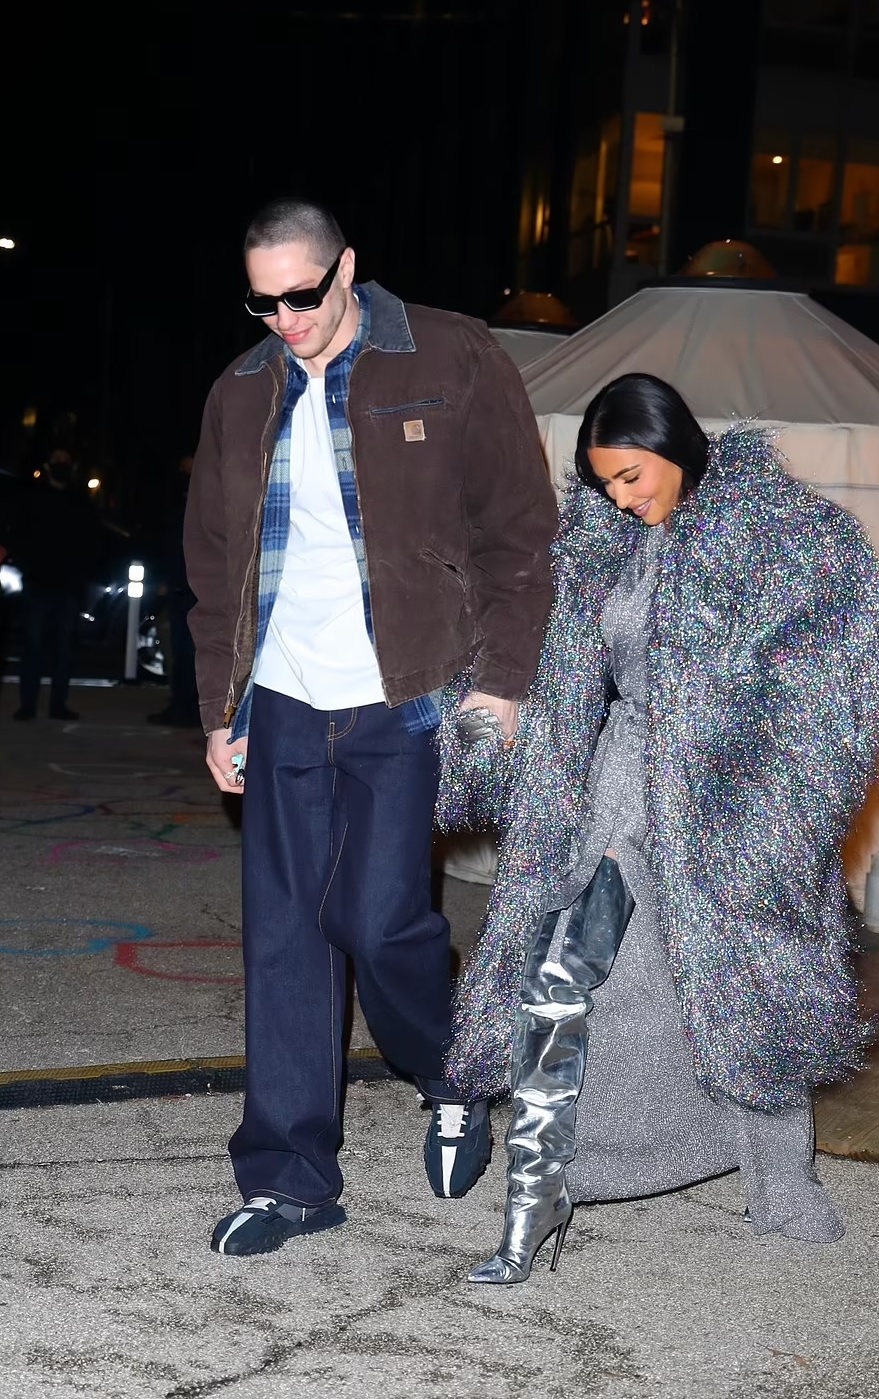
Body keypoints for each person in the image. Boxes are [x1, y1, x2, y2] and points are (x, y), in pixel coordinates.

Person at [435, 373, 879, 1285]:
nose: (619, 497)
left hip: (729, 806)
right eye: (604, 481)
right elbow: (543, 662)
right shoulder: (598, 547)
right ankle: (538, 1195)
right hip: (619, 788)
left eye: (631, 475)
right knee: (559, 975)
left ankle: (779, 1179)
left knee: (741, 989)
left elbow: (831, 701)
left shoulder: (789, 539)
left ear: (674, 446)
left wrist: (770, 812)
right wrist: (484, 722)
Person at [184, 197, 557, 1256]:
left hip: (411, 694)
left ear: (347, 267)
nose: (286, 318)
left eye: (303, 294)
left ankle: (455, 1071)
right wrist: (219, 706)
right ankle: (289, 1179)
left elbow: (520, 532)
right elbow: (212, 564)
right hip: (282, 698)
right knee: (284, 939)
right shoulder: (241, 390)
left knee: (381, 919)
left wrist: (504, 682)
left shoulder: (450, 353)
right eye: (264, 302)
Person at [9, 449, 102, 721]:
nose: (62, 465)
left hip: (68, 587)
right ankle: (28, 704)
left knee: (63, 648)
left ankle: (58, 705)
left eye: (66, 461)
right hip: (39, 584)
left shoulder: (79, 500)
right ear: (49, 466)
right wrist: (28, 568)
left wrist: (82, 574)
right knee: (33, 645)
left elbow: (91, 540)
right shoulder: (33, 497)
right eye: (57, 460)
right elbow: (18, 534)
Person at [147, 454, 200, 728]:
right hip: (181, 585)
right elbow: (169, 543)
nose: (185, 470)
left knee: (189, 651)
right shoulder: (178, 501)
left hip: (195, 587)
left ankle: (188, 706)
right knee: (180, 651)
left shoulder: (203, 499)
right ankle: (182, 703)